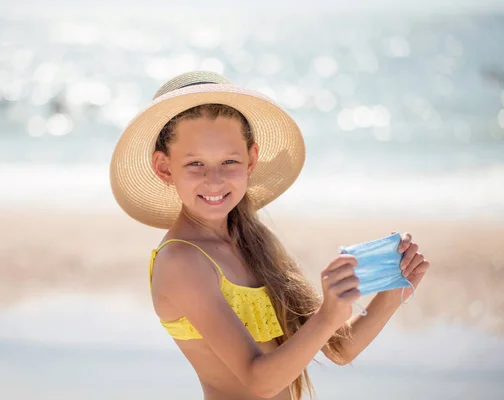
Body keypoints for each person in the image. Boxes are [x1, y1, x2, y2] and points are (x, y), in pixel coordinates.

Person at [109, 71, 430, 400]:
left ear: (251, 160)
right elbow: (258, 380)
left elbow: (340, 348)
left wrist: (394, 290)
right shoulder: (182, 261)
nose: (214, 180)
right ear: (164, 168)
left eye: (229, 161)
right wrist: (326, 317)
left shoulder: (253, 240)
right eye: (195, 164)